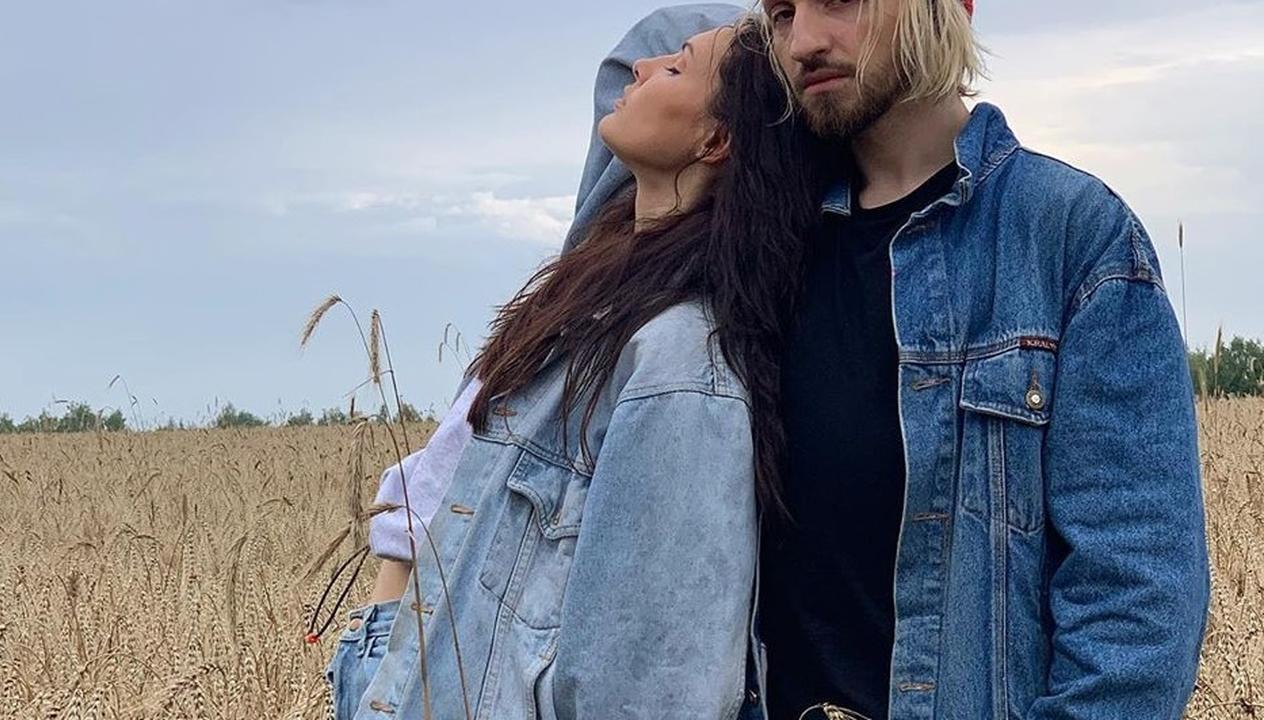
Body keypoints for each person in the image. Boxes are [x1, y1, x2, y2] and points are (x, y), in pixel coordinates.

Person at [329, 8, 826, 719]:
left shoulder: (679, 365)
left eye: (675, 67)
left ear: (716, 140)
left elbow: (646, 695)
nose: (641, 69)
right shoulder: (593, 304)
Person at [754, 1, 1211, 718]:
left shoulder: (1071, 238)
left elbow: (1135, 618)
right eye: (782, 14)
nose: (803, 41)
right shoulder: (767, 248)